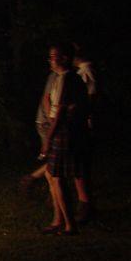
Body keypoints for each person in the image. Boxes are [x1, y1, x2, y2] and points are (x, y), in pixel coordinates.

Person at [40, 43, 90, 236]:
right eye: (50, 57)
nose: (50, 60)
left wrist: (48, 138)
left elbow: (59, 112)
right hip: (67, 130)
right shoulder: (66, 78)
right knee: (51, 175)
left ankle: (69, 225)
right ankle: (59, 220)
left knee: (57, 177)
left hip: (63, 132)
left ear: (64, 58)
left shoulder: (66, 79)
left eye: (53, 57)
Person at [72, 44, 96, 222]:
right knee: (76, 162)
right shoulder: (81, 72)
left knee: (79, 163)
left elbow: (90, 97)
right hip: (80, 121)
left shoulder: (85, 72)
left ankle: (85, 205)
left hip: (82, 123)